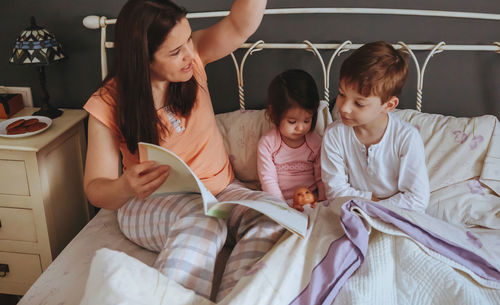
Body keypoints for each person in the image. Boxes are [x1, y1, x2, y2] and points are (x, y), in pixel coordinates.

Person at [83, 0, 284, 301]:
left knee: (274, 219)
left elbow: (241, 24)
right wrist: (126, 185)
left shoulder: (195, 59)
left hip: (221, 192)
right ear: (142, 59)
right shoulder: (108, 102)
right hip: (149, 202)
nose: (190, 55)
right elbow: (96, 189)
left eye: (188, 39)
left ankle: (237, 298)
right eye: (175, 52)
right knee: (205, 221)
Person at [321, 41, 430, 212]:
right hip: (352, 211)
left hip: (397, 213)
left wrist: (376, 206)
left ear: (388, 105)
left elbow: (417, 199)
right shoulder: (335, 134)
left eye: (359, 103)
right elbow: (335, 192)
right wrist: (367, 199)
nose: (344, 107)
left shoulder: (406, 137)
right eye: (342, 94)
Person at [257, 69, 325, 209]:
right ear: (273, 113)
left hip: (311, 200)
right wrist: (282, 207)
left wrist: (322, 202)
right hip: (281, 201)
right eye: (292, 122)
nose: (300, 128)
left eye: (307, 120)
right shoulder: (268, 143)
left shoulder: (315, 142)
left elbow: (322, 177)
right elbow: (268, 179)